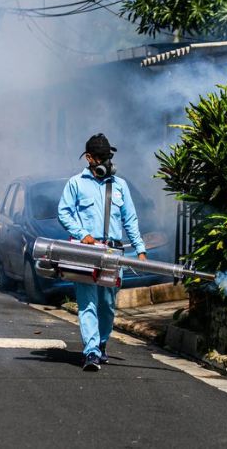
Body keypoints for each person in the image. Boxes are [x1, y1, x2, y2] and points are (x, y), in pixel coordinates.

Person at [57, 133, 147, 372]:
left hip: (112, 252)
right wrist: (82, 234)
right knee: (87, 303)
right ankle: (91, 351)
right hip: (86, 252)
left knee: (107, 304)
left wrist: (140, 249)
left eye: (108, 157)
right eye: (101, 157)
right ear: (89, 158)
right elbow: (64, 212)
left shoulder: (120, 185)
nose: (106, 162)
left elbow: (130, 219)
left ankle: (102, 342)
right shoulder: (76, 183)